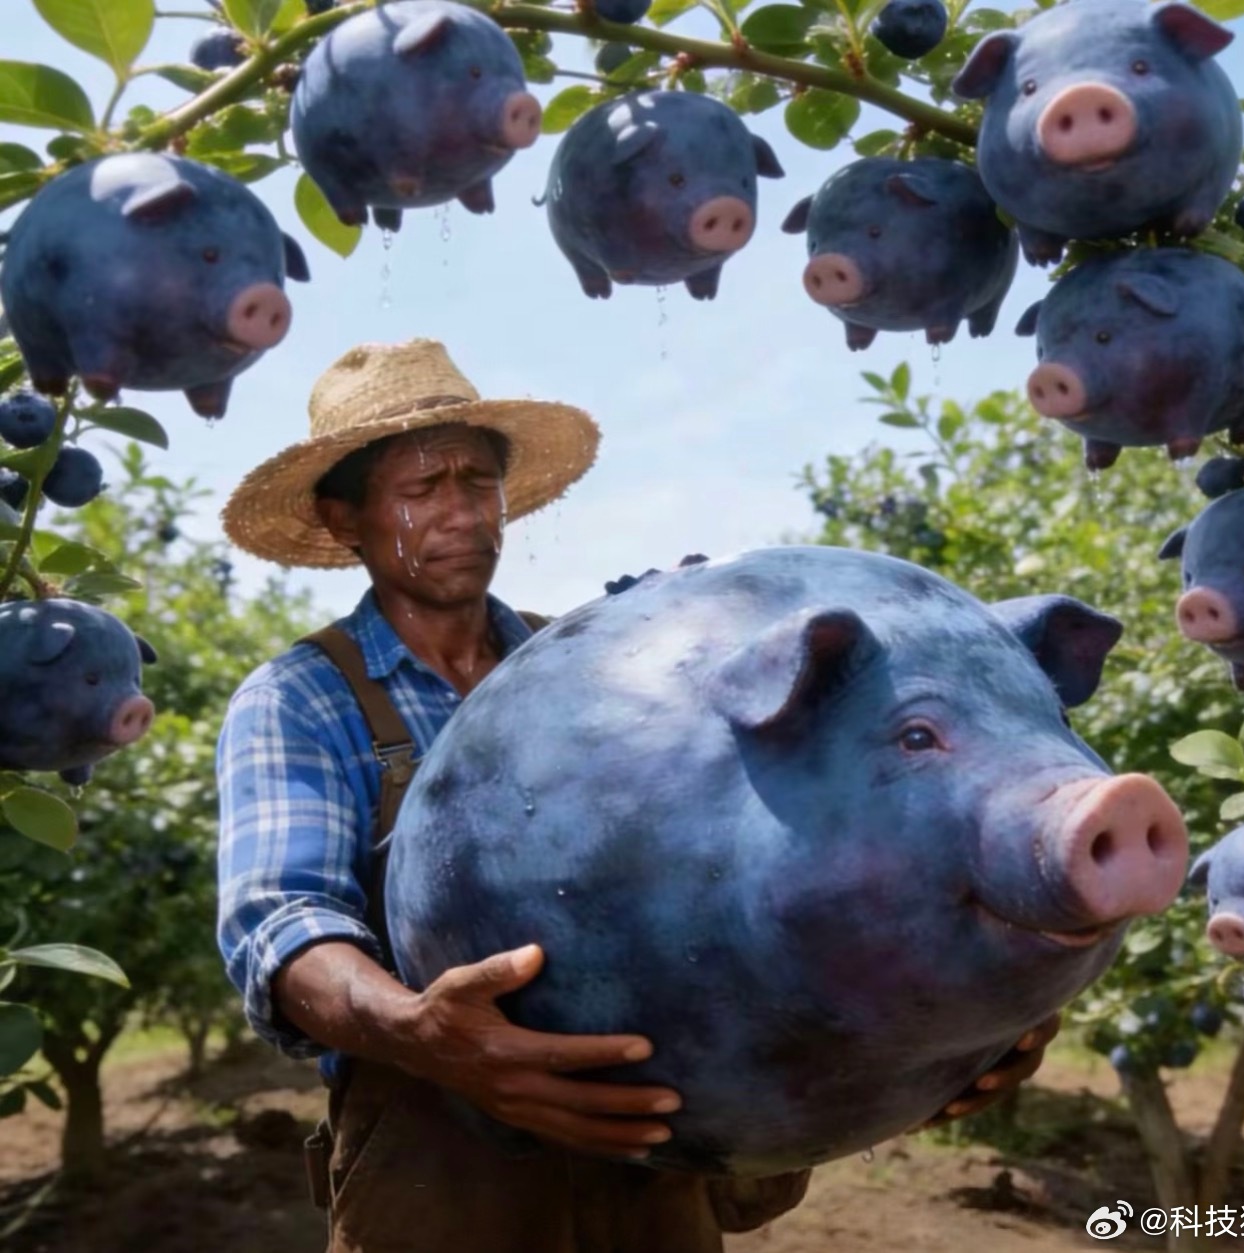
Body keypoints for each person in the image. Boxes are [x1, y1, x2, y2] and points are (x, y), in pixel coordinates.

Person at [215, 339, 1058, 1253]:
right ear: (346, 520)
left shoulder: (594, 666)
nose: (459, 512)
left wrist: (951, 1021)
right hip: (443, 1168)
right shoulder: (303, 696)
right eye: (421, 490)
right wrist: (423, 1031)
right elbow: (281, 923)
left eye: (476, 481)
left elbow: (774, 850)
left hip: (657, 1142)